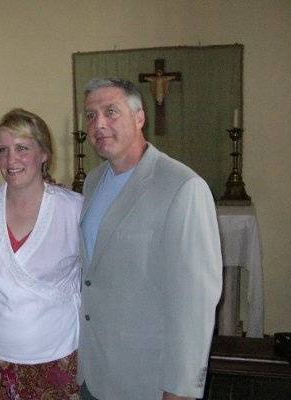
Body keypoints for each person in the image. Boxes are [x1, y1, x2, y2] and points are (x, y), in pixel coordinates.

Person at [77, 78, 223, 400]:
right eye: (90, 115)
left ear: (139, 117)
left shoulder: (182, 187)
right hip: (93, 371)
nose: (98, 124)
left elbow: (195, 304)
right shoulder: (94, 181)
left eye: (110, 111)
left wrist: (181, 389)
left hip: (145, 380)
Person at [0, 108, 83, 399]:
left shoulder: (74, 209)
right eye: (3, 150)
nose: (11, 160)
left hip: (56, 353)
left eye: (22, 148)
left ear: (44, 153)